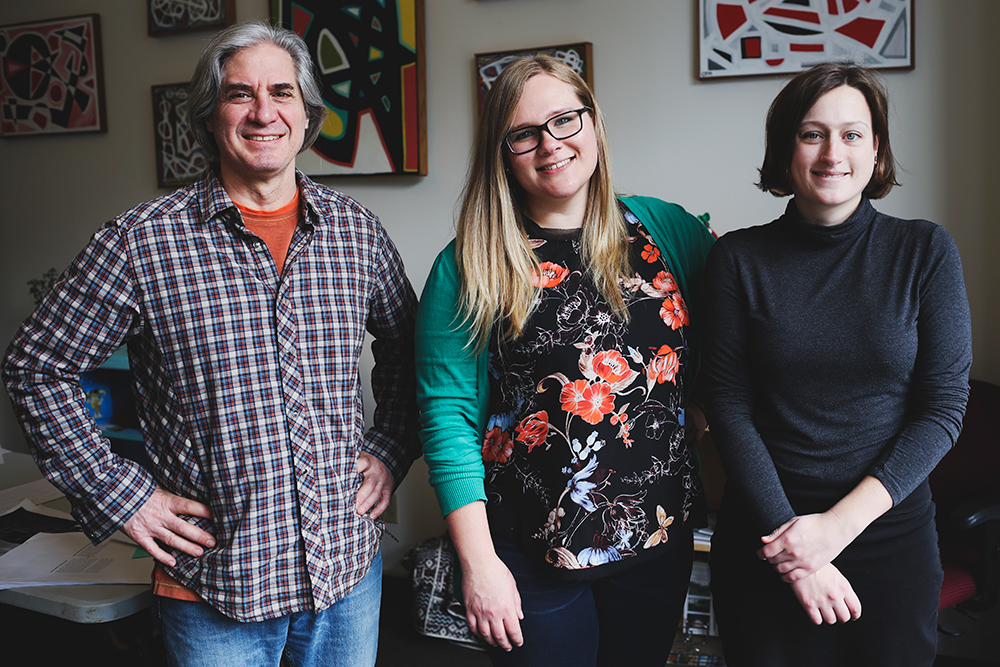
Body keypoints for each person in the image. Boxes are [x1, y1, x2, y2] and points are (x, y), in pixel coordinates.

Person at [2, 21, 419, 667]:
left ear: (307, 114)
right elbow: (37, 368)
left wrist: (391, 446)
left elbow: (410, 351)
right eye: (238, 94)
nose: (263, 112)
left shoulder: (356, 231)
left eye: (282, 92)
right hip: (216, 587)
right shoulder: (141, 241)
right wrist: (122, 494)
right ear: (209, 115)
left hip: (345, 576)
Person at [415, 55, 716, 666]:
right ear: (502, 151)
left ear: (594, 124)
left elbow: (741, 332)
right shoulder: (468, 264)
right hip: (528, 552)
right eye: (523, 134)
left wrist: (704, 411)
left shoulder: (667, 230)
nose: (549, 145)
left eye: (565, 121)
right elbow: (447, 420)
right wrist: (478, 565)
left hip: (657, 537)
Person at [702, 62, 972, 667]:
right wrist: (796, 550)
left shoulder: (925, 251)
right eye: (811, 133)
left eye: (852, 134)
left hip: (889, 537)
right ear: (784, 148)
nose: (832, 153)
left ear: (876, 150)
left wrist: (834, 531)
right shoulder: (737, 260)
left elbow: (943, 409)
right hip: (766, 538)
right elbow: (727, 406)